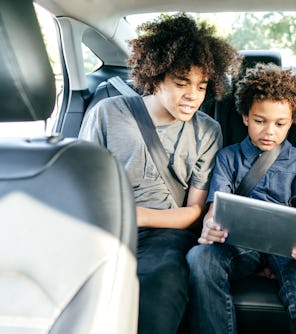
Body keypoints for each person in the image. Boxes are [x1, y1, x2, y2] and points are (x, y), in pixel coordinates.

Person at [78, 14, 240, 334]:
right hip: (104, 230)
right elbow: (82, 187)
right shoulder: (107, 113)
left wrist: (136, 216)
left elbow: (194, 212)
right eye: (181, 83)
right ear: (156, 76)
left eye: (202, 86)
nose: (193, 95)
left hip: (166, 235)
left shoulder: (208, 131)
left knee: (159, 285)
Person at [186, 63, 296, 334]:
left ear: (292, 121)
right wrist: (210, 227)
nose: (270, 131)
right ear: (245, 117)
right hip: (239, 246)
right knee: (200, 258)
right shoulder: (228, 157)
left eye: (280, 123)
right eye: (259, 121)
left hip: (288, 250)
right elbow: (214, 209)